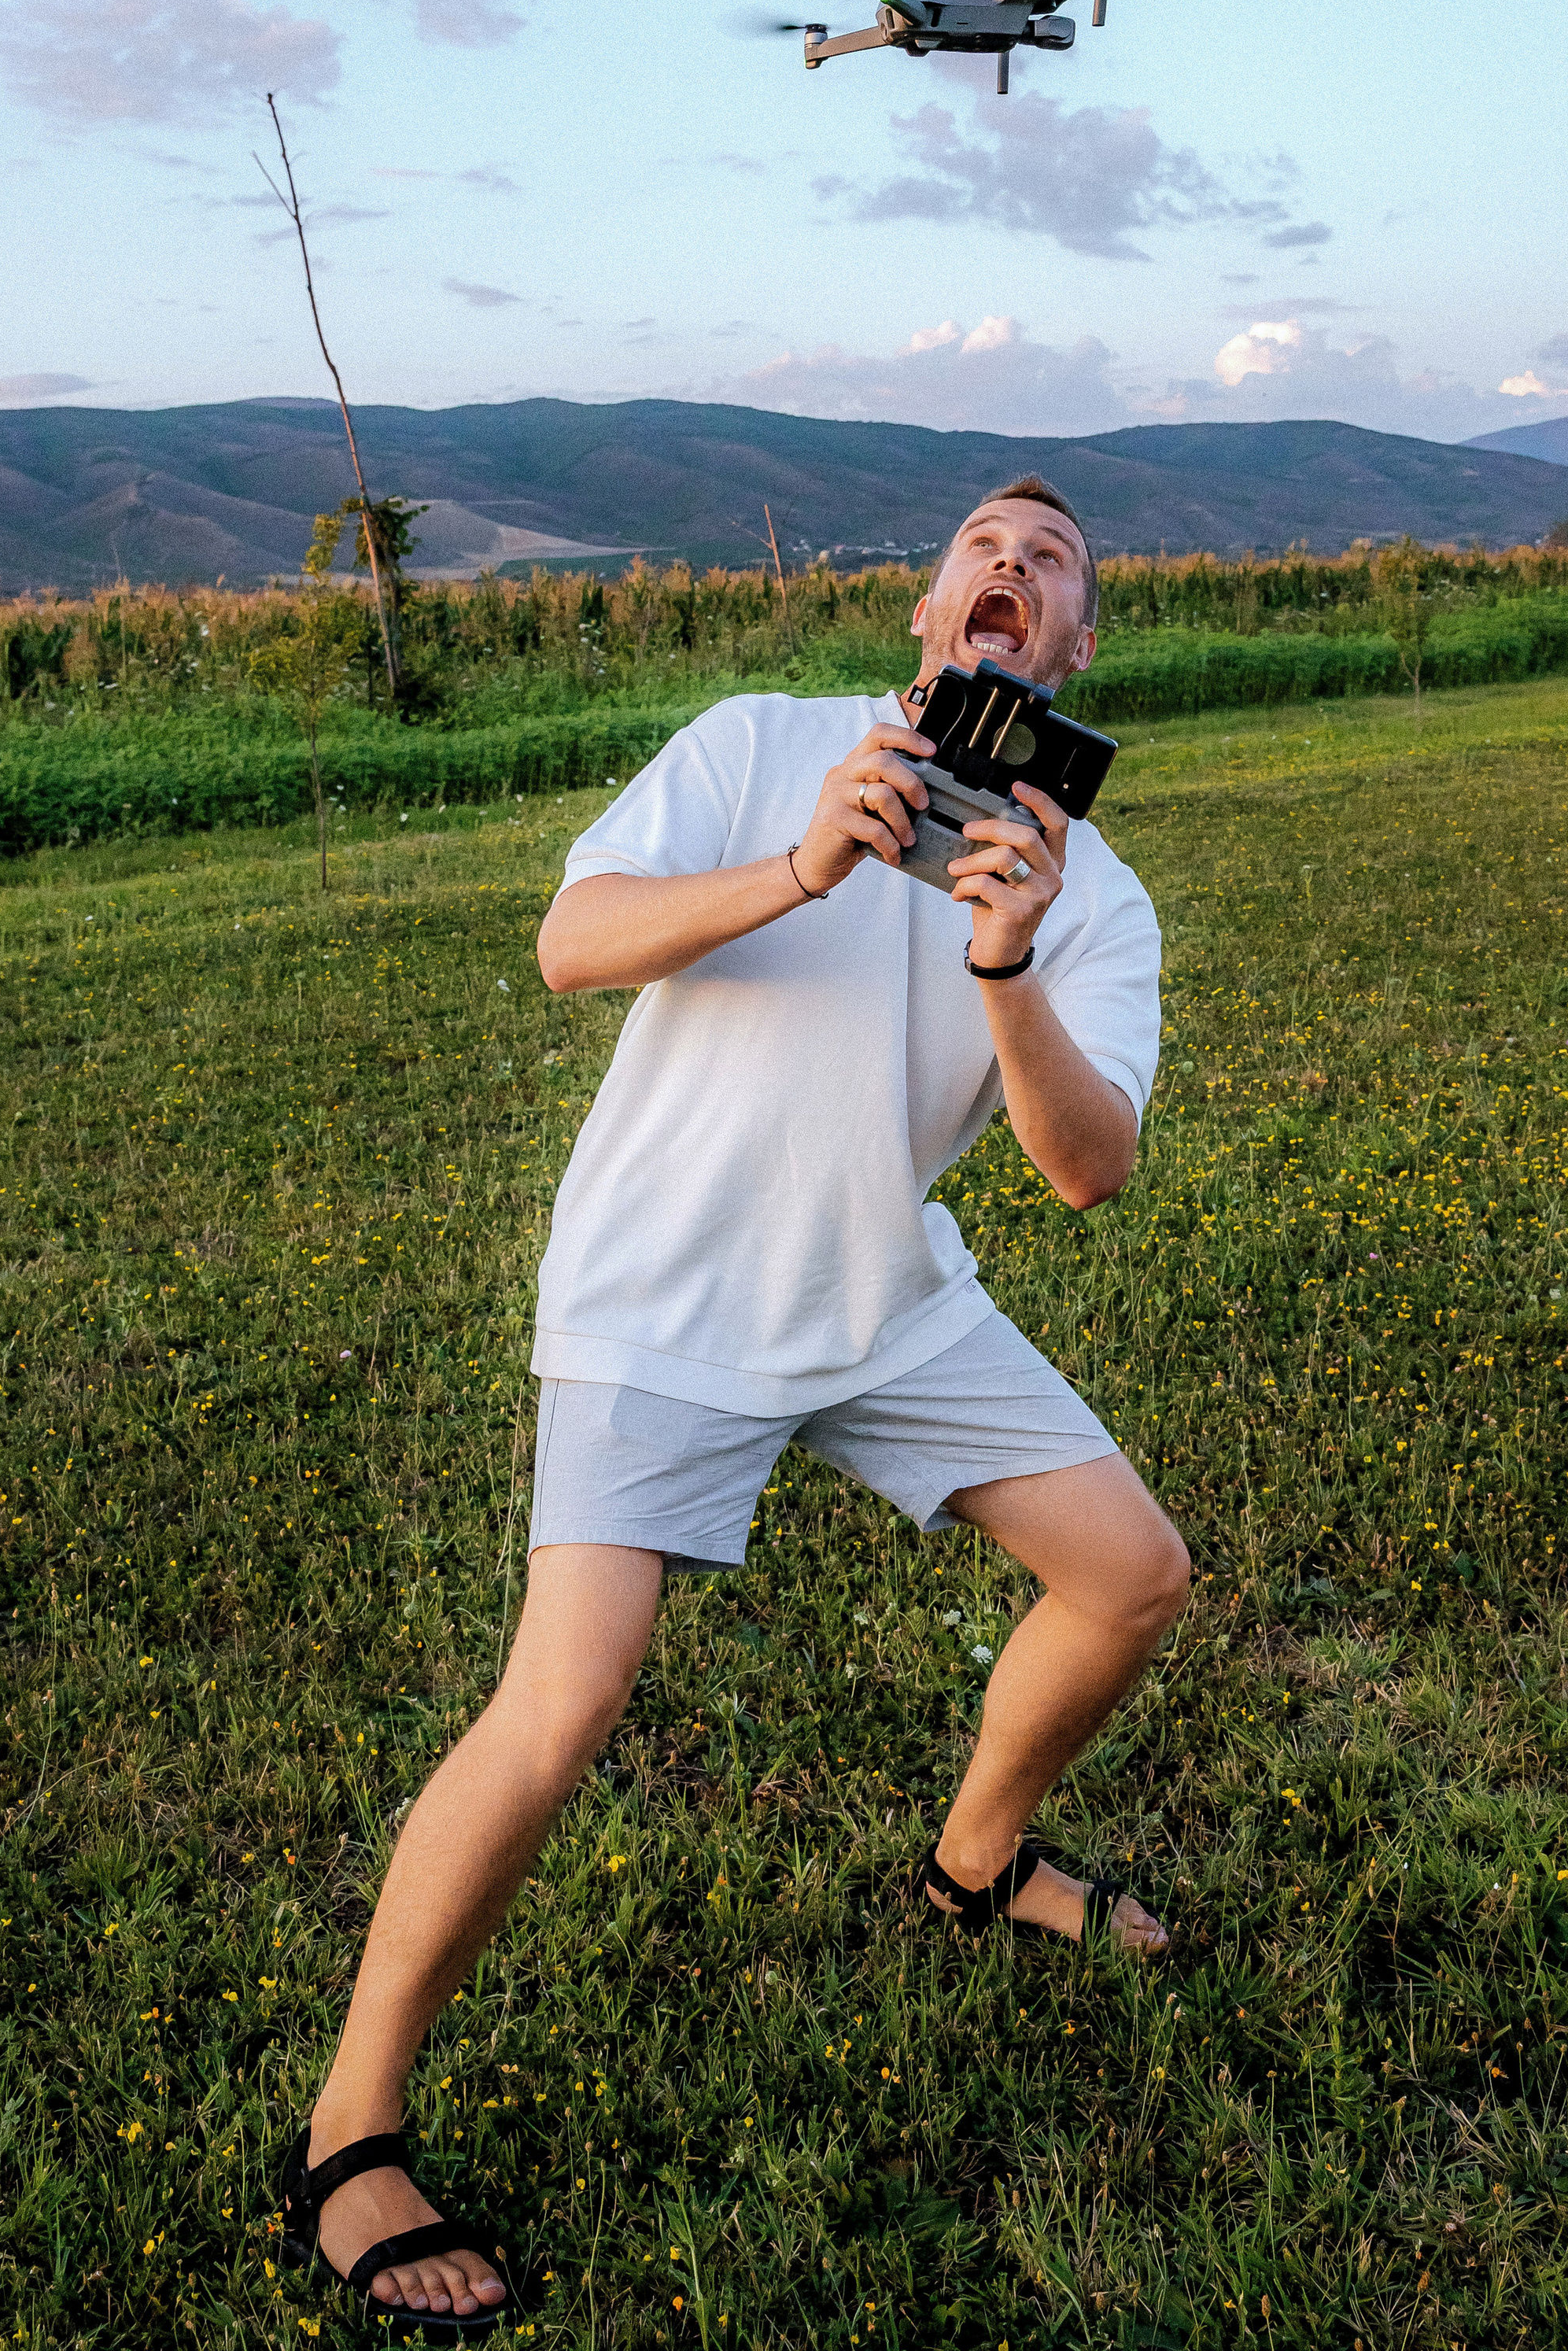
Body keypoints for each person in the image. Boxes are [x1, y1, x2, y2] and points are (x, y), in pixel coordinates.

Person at [279, 476, 1191, 2335]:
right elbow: (570, 943)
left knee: (1129, 1576)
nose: (1010, 569)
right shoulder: (755, 744)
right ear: (928, 610)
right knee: (562, 1706)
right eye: (980, 549)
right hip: (660, 1295)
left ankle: (973, 1860)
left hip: (876, 1296)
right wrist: (802, 864)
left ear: (1078, 647)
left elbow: (1086, 1166)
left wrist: (1000, 958)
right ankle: (349, 2129)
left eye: (1052, 563)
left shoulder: (1091, 895)